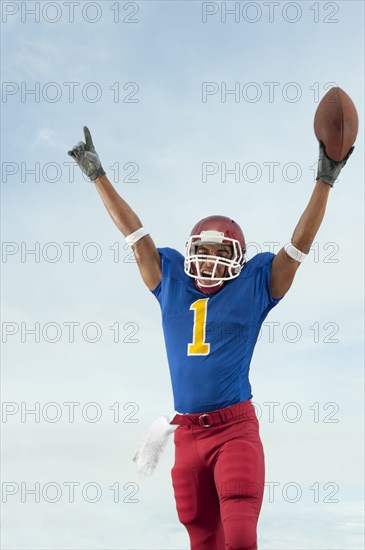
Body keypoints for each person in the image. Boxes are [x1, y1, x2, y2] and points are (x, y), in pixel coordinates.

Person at [68, 127, 353, 550]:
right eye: (205, 251)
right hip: (186, 435)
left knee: (238, 536)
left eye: (222, 254)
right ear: (190, 251)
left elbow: (298, 246)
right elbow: (136, 237)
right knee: (201, 537)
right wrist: (98, 176)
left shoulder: (256, 285)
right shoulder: (170, 280)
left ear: (238, 259)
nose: (212, 260)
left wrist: (324, 181)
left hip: (234, 430)